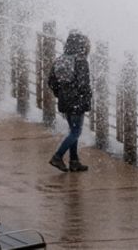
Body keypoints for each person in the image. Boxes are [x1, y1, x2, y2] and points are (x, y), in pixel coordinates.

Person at [48, 30, 92, 172]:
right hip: (76, 101)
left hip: (64, 100)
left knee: (73, 130)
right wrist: (85, 98)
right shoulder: (80, 61)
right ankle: (58, 156)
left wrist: (60, 94)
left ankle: (74, 161)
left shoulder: (60, 59)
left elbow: (51, 81)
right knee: (76, 132)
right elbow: (83, 84)